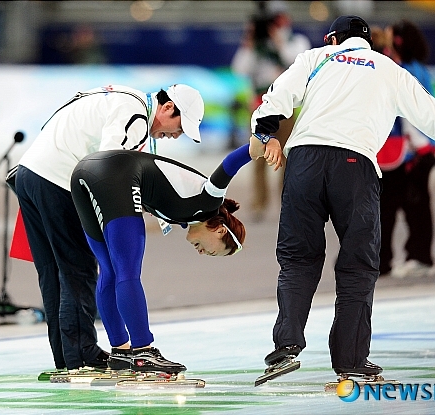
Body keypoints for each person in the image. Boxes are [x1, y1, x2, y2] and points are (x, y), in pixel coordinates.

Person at [248, 15, 435, 377]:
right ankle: (350, 360)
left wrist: (267, 131)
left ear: (332, 37)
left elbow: (277, 96)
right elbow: (432, 113)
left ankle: (286, 344)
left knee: (298, 258)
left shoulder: (315, 57)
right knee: (358, 266)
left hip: (303, 161)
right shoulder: (388, 68)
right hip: (355, 165)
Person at [15, 83, 204, 371]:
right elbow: (107, 165)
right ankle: (83, 354)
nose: (176, 135)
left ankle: (67, 357)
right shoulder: (136, 115)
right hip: (56, 179)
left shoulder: (124, 98)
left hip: (29, 173)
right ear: (167, 108)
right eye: (180, 126)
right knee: (78, 269)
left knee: (52, 272)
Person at [69, 141, 283, 372]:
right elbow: (229, 164)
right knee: (127, 272)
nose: (202, 253)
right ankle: (143, 352)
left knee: (110, 270)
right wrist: (261, 141)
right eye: (212, 251)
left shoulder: (185, 214)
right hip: (115, 173)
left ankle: (120, 352)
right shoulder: (210, 202)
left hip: (85, 170)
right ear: (220, 230)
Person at [231, 0, 311, 221]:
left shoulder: (296, 41)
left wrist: (278, 42)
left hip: (285, 107)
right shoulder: (256, 44)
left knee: (286, 156)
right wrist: (249, 43)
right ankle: (259, 203)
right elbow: (239, 69)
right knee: (257, 156)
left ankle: (287, 203)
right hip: (259, 105)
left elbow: (295, 64)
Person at [378, 20, 435, 278]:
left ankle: (419, 257)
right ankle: (406, 257)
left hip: (414, 149)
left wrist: (418, 145)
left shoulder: (407, 71)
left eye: (391, 37)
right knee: (401, 205)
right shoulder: (411, 68)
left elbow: (413, 113)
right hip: (413, 148)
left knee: (413, 206)